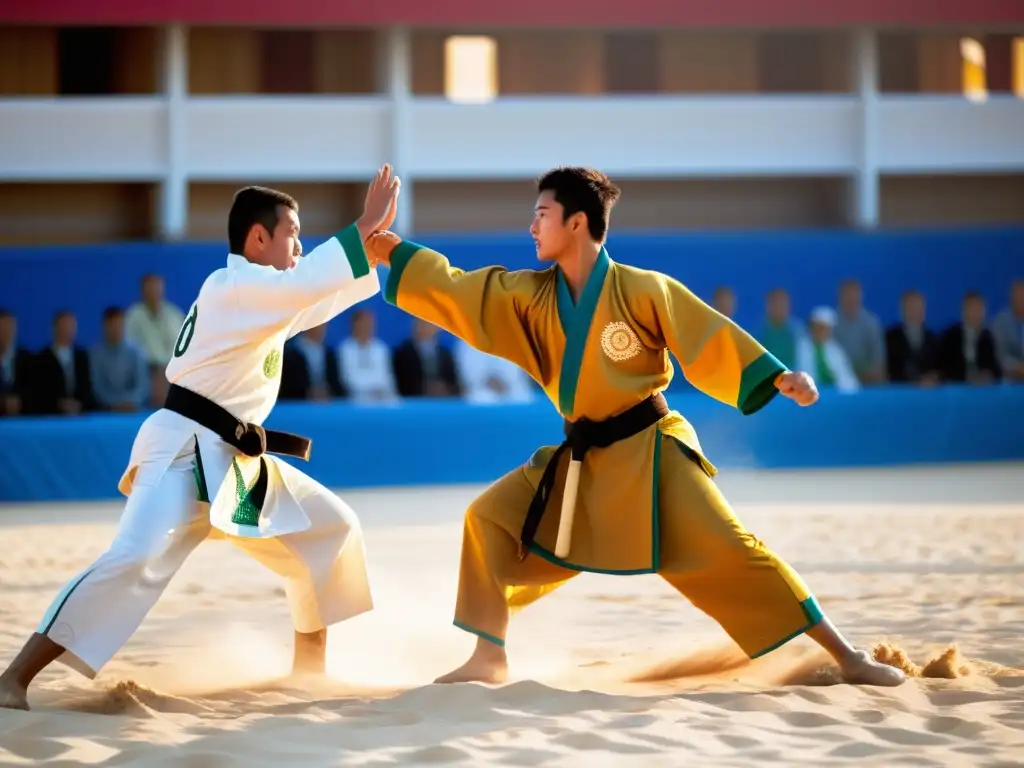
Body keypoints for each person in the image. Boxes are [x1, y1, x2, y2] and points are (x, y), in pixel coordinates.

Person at [366, 166, 906, 688]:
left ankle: (849, 657)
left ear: (577, 222)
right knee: (488, 519)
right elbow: (462, 291)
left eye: (542, 214)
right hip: (581, 464)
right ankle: (488, 657)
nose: (532, 226)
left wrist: (779, 376)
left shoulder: (643, 289)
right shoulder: (528, 296)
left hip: (654, 457)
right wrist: (390, 251)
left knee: (735, 553)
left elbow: (707, 332)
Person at [0, 165, 401, 711]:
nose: (300, 247)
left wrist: (369, 253)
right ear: (258, 238)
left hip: (233, 462)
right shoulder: (233, 286)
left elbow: (315, 298)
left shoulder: (263, 296)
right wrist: (361, 226)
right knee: (132, 559)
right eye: (294, 235)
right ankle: (15, 677)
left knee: (329, 530)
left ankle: (308, 672)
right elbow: (307, 286)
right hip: (183, 449)